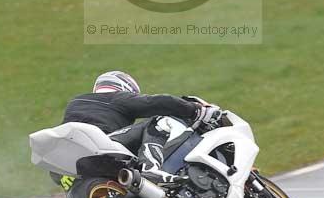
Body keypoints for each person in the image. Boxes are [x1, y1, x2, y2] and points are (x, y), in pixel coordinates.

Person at [60, 70, 221, 184]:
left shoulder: (75, 102)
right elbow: (159, 102)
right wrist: (195, 110)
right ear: (125, 88)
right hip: (103, 145)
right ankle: (150, 168)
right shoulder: (115, 98)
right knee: (158, 121)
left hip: (74, 164)